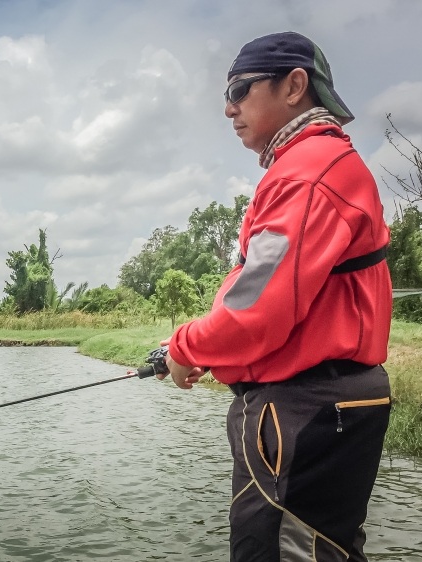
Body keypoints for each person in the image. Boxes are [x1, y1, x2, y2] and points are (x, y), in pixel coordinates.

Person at [156, 31, 393, 561]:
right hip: (318, 409)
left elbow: (255, 313)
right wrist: (206, 349)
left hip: (303, 411)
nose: (228, 108)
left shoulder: (306, 174)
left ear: (294, 85)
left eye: (240, 90)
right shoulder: (316, 165)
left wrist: (184, 347)